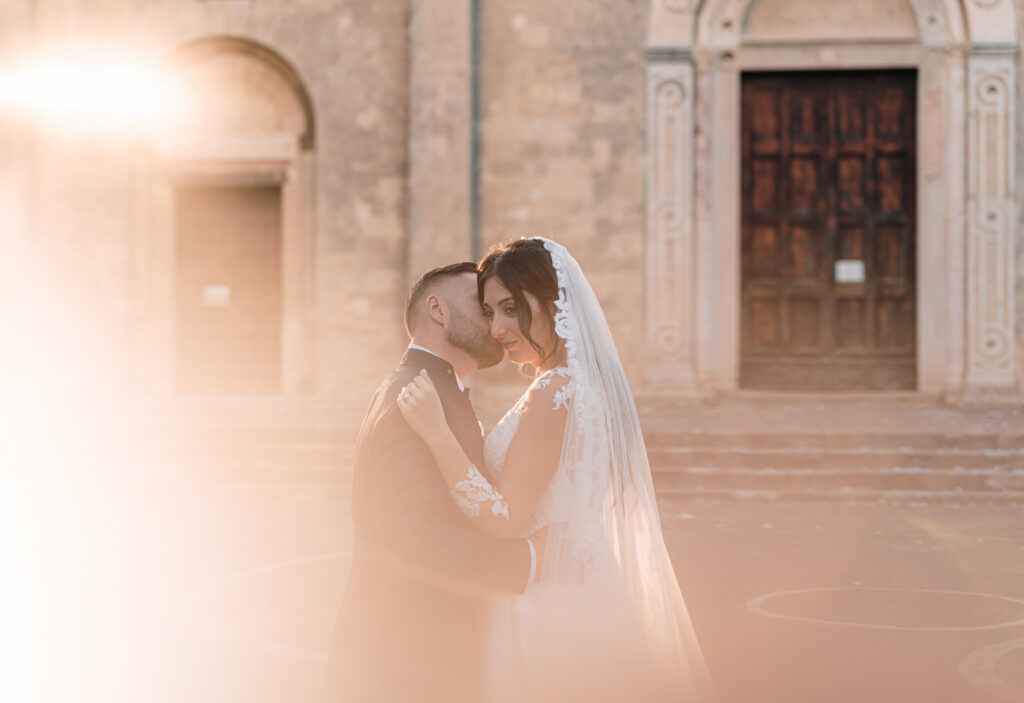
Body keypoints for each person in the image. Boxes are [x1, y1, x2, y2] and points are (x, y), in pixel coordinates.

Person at [397, 238, 715, 702]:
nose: (498, 328)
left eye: (510, 309)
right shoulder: (576, 385)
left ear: (553, 303)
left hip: (548, 599)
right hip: (577, 584)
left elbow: (504, 518)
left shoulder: (557, 391)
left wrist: (438, 435)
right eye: (490, 313)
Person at [327, 262, 548, 703]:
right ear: (438, 310)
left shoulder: (428, 387)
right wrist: (526, 557)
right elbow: (414, 537)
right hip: (405, 662)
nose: (494, 321)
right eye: (481, 307)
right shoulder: (414, 396)